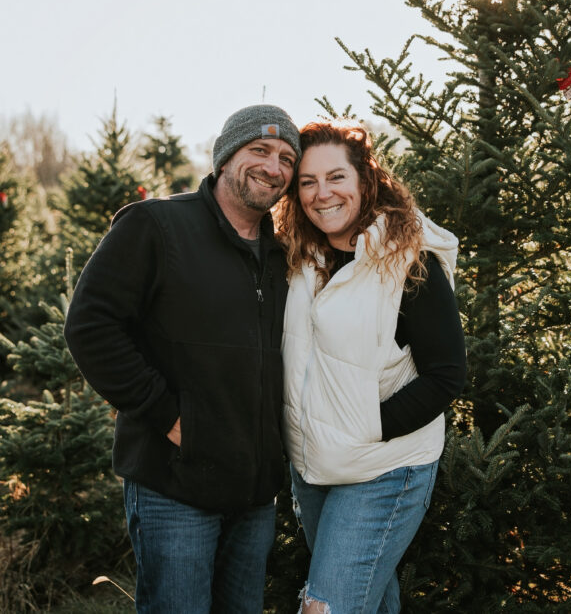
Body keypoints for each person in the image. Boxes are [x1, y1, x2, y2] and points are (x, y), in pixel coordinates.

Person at [63, 104, 301, 614]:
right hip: (175, 486)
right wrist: (170, 418)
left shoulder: (282, 255)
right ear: (224, 156)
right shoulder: (157, 226)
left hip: (256, 494)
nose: (274, 167)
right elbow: (91, 326)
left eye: (286, 157)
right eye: (259, 150)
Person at [276, 119, 466, 613]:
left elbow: (447, 375)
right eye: (308, 182)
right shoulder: (298, 257)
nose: (323, 194)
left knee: (325, 606)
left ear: (365, 179)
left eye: (336, 177)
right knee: (370, 602)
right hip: (314, 470)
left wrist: (365, 428)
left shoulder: (408, 261)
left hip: (385, 467)